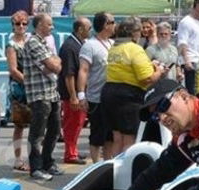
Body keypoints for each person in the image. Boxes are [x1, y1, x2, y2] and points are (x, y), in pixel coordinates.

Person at [102, 18, 166, 157]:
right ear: (134, 33)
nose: (141, 34)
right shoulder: (134, 49)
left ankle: (115, 171)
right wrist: (159, 71)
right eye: (139, 31)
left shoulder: (114, 48)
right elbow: (146, 78)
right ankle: (126, 171)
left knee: (117, 138)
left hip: (110, 92)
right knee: (129, 138)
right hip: (128, 96)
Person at [22, 13, 62, 181]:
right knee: (37, 134)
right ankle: (35, 167)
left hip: (52, 93)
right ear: (39, 25)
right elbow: (55, 66)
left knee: (54, 131)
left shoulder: (43, 42)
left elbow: (55, 63)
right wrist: (54, 62)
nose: (52, 27)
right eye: (49, 24)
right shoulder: (32, 42)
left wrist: (54, 62)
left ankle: (48, 162)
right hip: (39, 95)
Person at [77, 11, 114, 163]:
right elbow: (83, 70)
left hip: (112, 97)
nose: (115, 25)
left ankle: (107, 163)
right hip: (96, 97)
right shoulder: (89, 45)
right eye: (112, 22)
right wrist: (81, 95)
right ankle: (95, 166)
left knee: (110, 135)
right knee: (97, 135)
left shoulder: (113, 43)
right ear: (105, 25)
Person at [58, 16, 91, 165]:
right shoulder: (70, 47)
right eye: (88, 28)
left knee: (79, 123)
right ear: (80, 29)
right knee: (72, 123)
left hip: (79, 92)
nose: (90, 31)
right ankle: (70, 154)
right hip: (72, 93)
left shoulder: (79, 44)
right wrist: (73, 96)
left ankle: (74, 150)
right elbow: (69, 74)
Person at [5, 10, 31, 172]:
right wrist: (29, 83)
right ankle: (18, 158)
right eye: (17, 24)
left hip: (32, 86)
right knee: (19, 126)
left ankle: (34, 157)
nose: (21, 26)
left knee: (37, 126)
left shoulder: (30, 41)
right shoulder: (11, 45)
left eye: (24, 23)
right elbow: (13, 70)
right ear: (12, 26)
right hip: (20, 88)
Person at [176, 0, 199, 94]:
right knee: (193, 91)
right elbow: (182, 42)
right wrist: (187, 61)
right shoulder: (186, 22)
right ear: (197, 5)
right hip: (192, 61)